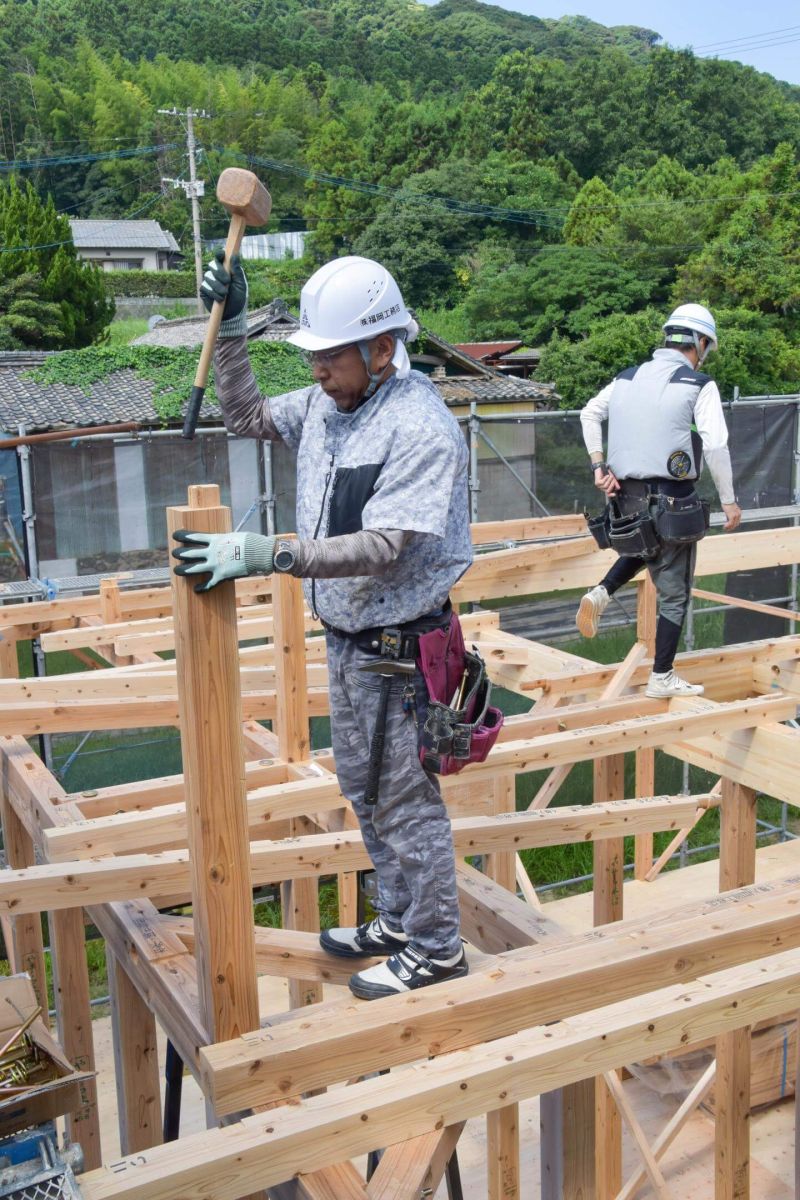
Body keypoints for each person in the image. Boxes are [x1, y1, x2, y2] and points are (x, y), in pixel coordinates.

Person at [172, 252, 472, 1000]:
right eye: (311, 355)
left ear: (380, 348)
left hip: (403, 649)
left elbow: (381, 547)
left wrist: (269, 552)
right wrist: (234, 329)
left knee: (406, 798)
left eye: (329, 356)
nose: (316, 370)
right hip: (350, 642)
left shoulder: (420, 427)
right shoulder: (326, 408)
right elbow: (244, 414)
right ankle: (400, 920)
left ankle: (437, 949)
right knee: (365, 789)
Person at [576, 303, 742, 697]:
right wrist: (729, 501)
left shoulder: (626, 379)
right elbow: (716, 446)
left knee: (649, 546)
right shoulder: (699, 384)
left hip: (625, 501)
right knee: (675, 592)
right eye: (707, 346)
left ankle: (601, 592)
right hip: (672, 502)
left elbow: (588, 413)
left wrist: (599, 467)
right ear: (700, 342)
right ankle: (662, 675)